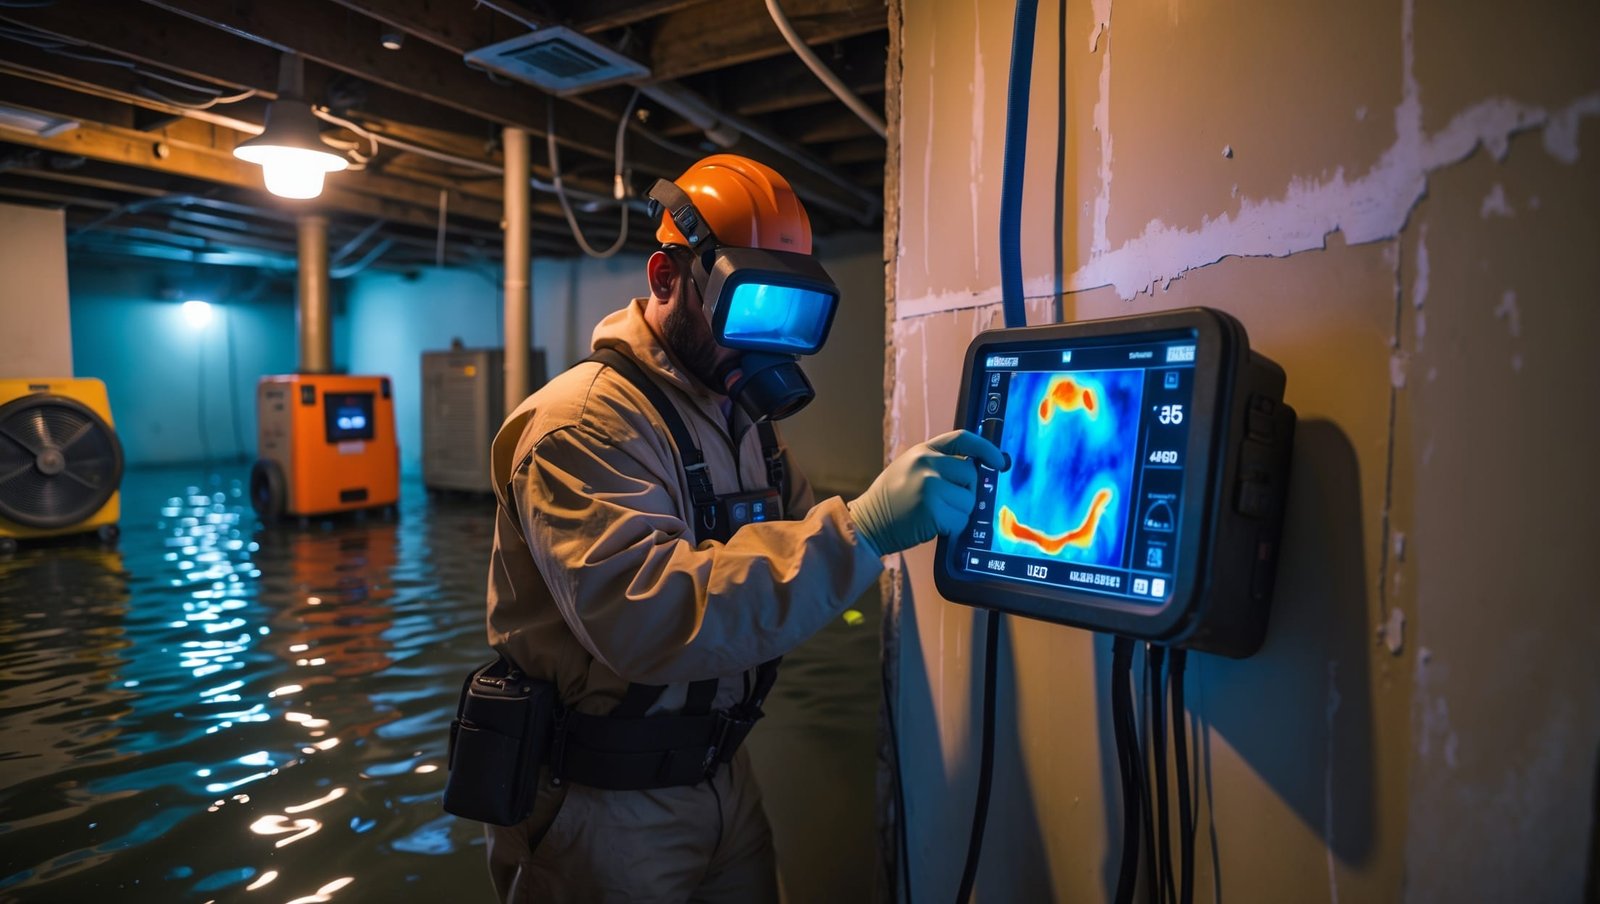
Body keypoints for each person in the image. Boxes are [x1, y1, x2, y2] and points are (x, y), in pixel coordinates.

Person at [482, 153, 1002, 902]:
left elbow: (795, 556)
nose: (771, 342)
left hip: (724, 780)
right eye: (749, 305)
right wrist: (864, 530)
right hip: (602, 810)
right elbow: (648, 615)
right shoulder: (582, 423)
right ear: (667, 279)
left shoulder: (742, 423)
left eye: (792, 311)